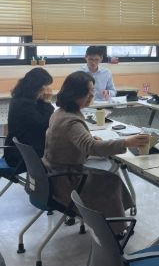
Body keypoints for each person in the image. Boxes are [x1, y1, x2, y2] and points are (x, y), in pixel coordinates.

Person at [43, 72, 149, 233]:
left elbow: (75, 141)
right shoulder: (71, 121)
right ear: (75, 94)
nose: (92, 96)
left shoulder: (60, 112)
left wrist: (90, 138)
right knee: (110, 181)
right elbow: (91, 148)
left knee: (110, 177)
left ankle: (116, 220)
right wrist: (127, 142)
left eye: (93, 91)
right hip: (66, 180)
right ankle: (115, 229)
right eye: (88, 92)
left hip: (54, 173)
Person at [5, 68, 55, 173]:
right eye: (46, 86)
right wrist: (47, 102)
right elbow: (45, 124)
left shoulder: (21, 99)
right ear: (37, 87)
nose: (48, 89)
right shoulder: (24, 105)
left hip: (19, 151)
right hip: (22, 157)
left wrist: (43, 101)